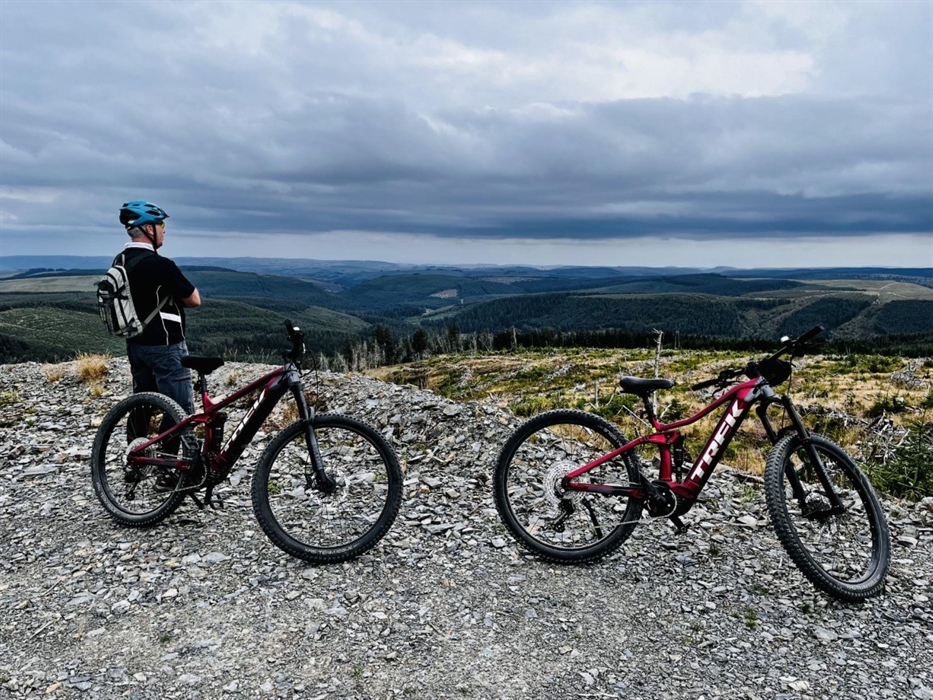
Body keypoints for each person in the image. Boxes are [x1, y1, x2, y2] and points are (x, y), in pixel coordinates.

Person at [116, 200, 201, 416]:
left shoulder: (120, 260)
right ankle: (169, 450)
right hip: (166, 344)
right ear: (148, 228)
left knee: (141, 404)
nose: (164, 231)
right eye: (161, 226)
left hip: (135, 343)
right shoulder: (162, 264)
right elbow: (194, 299)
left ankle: (136, 448)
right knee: (179, 409)